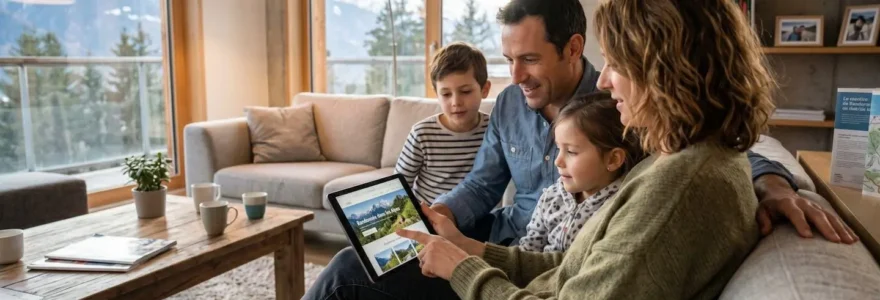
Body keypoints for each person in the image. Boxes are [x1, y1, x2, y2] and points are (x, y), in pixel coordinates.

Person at [303, 1, 857, 299]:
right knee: (363, 263)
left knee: (351, 275)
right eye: (507, 59)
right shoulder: (513, 108)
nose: (512, 75)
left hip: (509, 281)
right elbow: (486, 186)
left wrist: (775, 183)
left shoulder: (630, 126)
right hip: (516, 249)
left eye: (529, 60)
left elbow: (733, 154)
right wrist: (449, 223)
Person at [519, 92, 645, 252]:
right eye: (558, 148)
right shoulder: (551, 197)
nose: (558, 161)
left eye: (571, 151)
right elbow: (528, 251)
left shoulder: (619, 209)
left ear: (613, 159)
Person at [395, 42, 491, 204]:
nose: (456, 102)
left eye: (466, 92)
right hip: (431, 219)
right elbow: (398, 187)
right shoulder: (422, 134)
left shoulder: (494, 130)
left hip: (477, 220)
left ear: (484, 89)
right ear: (437, 94)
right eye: (446, 94)